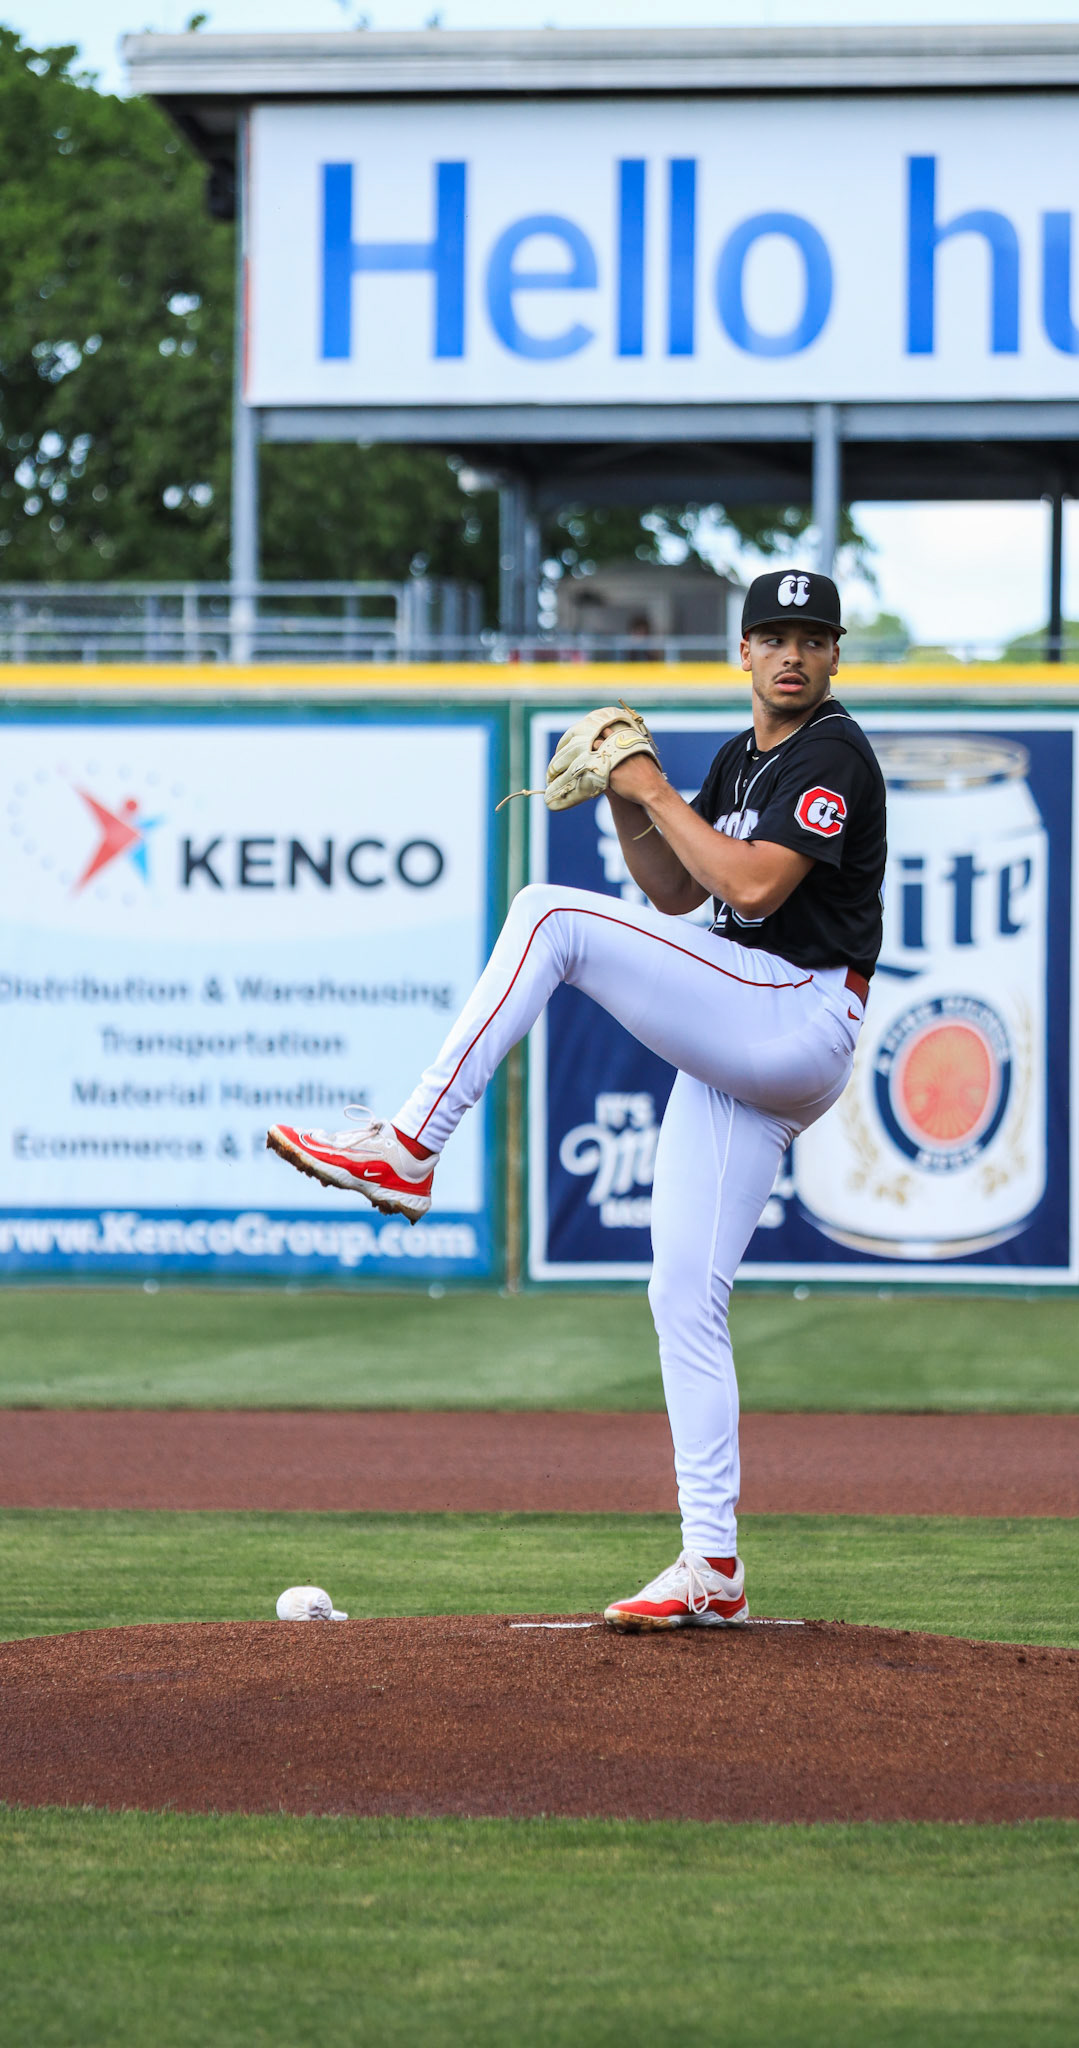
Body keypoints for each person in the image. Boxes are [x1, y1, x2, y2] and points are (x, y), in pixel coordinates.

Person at [267, 569, 887, 1630]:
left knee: (549, 914)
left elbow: (749, 890)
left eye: (812, 635)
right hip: (746, 1030)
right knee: (682, 1292)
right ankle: (714, 1561)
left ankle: (413, 1142)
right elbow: (677, 893)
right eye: (772, 633)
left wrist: (648, 787)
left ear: (835, 655)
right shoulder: (743, 756)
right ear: (742, 651)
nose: (792, 651)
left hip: (797, 1011)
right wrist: (624, 797)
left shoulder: (833, 749)